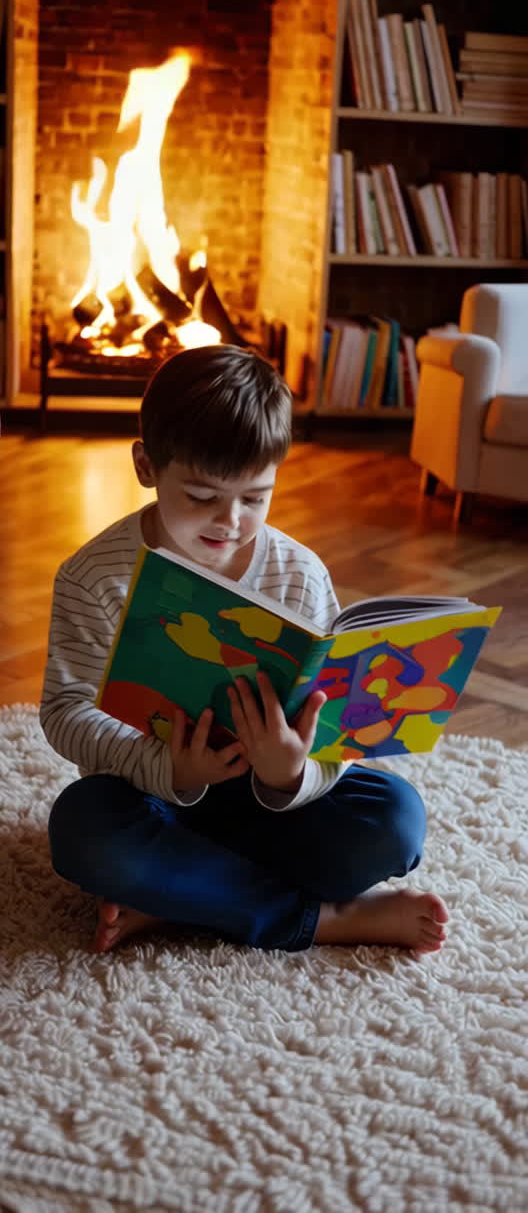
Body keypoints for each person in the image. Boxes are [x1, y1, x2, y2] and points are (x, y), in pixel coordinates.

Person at [41, 344, 448, 956]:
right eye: (202, 496)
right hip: (157, 796)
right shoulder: (94, 576)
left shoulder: (299, 575)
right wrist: (171, 770)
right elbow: (65, 711)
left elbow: (336, 724)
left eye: (254, 498)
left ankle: (181, 899)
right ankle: (326, 920)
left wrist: (293, 774)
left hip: (276, 804)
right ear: (147, 466)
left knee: (395, 819)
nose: (230, 520)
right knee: (84, 832)